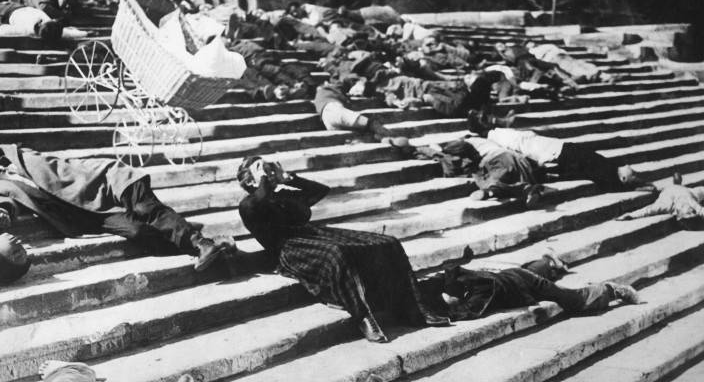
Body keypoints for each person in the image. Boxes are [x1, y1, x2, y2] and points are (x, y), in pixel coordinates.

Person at [237, 156, 449, 344]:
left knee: (388, 242)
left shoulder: (281, 196)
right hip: (290, 248)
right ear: (249, 181)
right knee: (336, 254)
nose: (269, 173)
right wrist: (263, 177)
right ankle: (363, 317)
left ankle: (416, 309)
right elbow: (259, 201)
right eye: (263, 170)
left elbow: (320, 191)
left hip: (314, 235)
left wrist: (289, 179)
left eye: (269, 169)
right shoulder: (248, 205)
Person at [0, 144, 234, 272]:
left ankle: (201, 243)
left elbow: (63, 170)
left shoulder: (16, 154)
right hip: (92, 215)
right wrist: (2, 214)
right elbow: (5, 204)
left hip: (106, 180)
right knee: (139, 231)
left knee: (146, 209)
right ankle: (203, 245)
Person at [427, 251, 640, 321]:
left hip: (524, 284)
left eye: (451, 302)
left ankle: (611, 290)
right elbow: (424, 285)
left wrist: (441, 314)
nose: (449, 304)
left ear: (463, 293)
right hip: (512, 276)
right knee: (534, 270)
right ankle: (549, 261)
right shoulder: (450, 278)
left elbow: (470, 311)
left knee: (572, 299)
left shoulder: (483, 287)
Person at [468, 115, 653, 193]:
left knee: (522, 141)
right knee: (525, 138)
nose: (630, 167)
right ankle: (488, 130)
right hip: (562, 148)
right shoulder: (611, 169)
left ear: (623, 179)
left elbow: (577, 173)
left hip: (558, 153)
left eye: (631, 172)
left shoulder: (608, 174)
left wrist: (640, 186)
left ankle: (486, 131)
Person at [0, 0, 90, 42]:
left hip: (7, 12)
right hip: (21, 7)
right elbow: (68, 33)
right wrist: (86, 33)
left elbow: (0, 31)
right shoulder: (49, 25)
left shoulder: (26, 29)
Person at [617, 173, 704, 228]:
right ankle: (678, 183)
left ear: (679, 214)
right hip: (691, 192)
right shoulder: (694, 205)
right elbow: (701, 210)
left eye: (689, 213)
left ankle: (676, 183)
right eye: (694, 213)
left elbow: (648, 210)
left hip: (671, 190)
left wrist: (630, 215)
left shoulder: (665, 206)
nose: (692, 211)